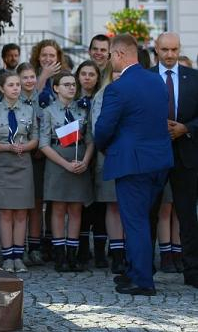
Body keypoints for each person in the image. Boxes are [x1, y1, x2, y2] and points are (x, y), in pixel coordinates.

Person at [94, 33, 173, 296]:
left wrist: (107, 148)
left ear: (119, 54)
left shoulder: (118, 88)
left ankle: (142, 280)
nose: (109, 61)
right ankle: (135, 270)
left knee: (135, 221)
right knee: (144, 220)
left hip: (133, 163)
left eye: (110, 55)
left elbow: (103, 129)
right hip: (159, 161)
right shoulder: (157, 81)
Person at [151, 32, 198, 289]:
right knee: (148, 213)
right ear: (156, 49)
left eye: (174, 49)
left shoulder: (194, 78)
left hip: (186, 156)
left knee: (188, 215)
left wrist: (186, 128)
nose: (170, 55)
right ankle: (143, 270)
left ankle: (192, 271)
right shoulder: (146, 78)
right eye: (165, 49)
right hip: (153, 156)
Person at [39, 72, 94, 272]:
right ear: (56, 88)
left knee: (76, 209)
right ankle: (59, 255)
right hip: (58, 163)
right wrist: (65, 164)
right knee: (59, 209)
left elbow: (89, 140)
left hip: (79, 162)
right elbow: (44, 144)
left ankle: (72, 255)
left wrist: (85, 161)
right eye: (66, 84)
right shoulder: (49, 111)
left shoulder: (82, 110)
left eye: (73, 84)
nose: (71, 88)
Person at [0, 71, 38, 273]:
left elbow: (35, 138)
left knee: (22, 213)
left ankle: (19, 255)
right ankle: (7, 256)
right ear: (1, 88)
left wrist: (25, 147)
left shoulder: (29, 110)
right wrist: (7, 147)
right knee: (6, 212)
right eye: (11, 85)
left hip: (23, 164)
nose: (16, 88)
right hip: (2, 163)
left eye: (18, 84)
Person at [91, 69, 126, 274]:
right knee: (113, 206)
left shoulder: (134, 92)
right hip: (108, 153)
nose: (119, 75)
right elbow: (98, 127)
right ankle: (117, 253)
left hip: (132, 154)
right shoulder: (101, 96)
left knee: (129, 207)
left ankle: (130, 252)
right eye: (115, 72)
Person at [74, 60, 107, 268]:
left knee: (101, 205)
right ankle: (83, 249)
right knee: (83, 205)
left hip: (99, 155)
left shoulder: (103, 98)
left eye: (91, 74)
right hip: (79, 155)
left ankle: (101, 251)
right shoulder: (72, 98)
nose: (87, 77)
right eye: (83, 74)